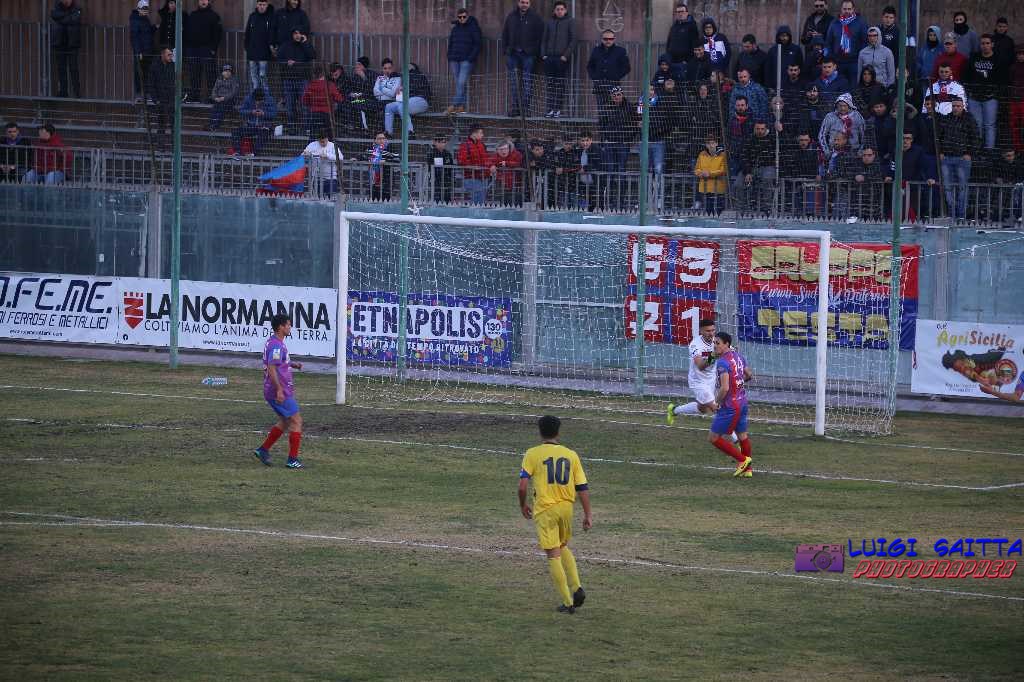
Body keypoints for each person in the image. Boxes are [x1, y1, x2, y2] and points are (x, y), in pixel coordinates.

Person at [518, 415, 592, 615]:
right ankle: (577, 587)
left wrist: (522, 504)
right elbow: (582, 487)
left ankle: (568, 603)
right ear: (558, 432)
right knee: (562, 545)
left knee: (552, 553)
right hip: (567, 508)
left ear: (540, 432)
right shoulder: (571, 455)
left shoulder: (532, 454)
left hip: (546, 510)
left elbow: (523, 485)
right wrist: (588, 514)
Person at [253, 313, 305, 469]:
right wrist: (279, 390)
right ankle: (292, 460)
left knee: (285, 421)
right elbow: (271, 367)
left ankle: (263, 450)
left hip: (276, 389)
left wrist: (291, 364)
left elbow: (277, 363)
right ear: (280, 327)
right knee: (296, 421)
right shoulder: (276, 345)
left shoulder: (275, 342)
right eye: (288, 324)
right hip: (279, 390)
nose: (290, 327)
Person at [706, 331, 754, 477]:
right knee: (742, 436)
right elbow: (749, 375)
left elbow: (725, 387)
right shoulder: (738, 356)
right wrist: (739, 384)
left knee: (713, 438)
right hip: (742, 402)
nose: (715, 346)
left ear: (727, 344)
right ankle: (748, 471)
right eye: (714, 343)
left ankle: (742, 460)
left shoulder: (722, 362)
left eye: (717, 343)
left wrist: (716, 403)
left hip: (730, 406)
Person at [669, 319, 727, 422]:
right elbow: (700, 366)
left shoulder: (717, 341)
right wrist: (714, 355)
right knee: (715, 407)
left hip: (711, 380)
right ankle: (735, 437)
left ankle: (674, 410)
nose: (711, 333)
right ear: (701, 331)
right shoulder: (695, 345)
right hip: (698, 381)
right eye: (708, 331)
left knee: (703, 408)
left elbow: (729, 350)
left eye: (713, 330)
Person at [936, 96, 980, 220]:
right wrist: (941, 152)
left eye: (958, 106)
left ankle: (961, 215)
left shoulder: (969, 119)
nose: (955, 108)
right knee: (947, 187)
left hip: (962, 159)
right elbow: (939, 137)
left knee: (962, 187)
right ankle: (952, 213)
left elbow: (976, 137)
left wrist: (969, 153)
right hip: (947, 158)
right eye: (954, 106)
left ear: (963, 106)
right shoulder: (946, 119)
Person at [501, 0, 544, 117]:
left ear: (529, 4)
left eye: (526, 2)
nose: (524, 4)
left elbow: (540, 37)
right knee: (514, 82)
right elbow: (505, 33)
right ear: (518, 3)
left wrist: (534, 51)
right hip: (512, 53)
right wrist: (505, 50)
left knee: (527, 81)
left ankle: (525, 108)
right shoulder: (511, 16)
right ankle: (515, 107)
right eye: (522, 2)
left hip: (528, 54)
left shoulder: (535, 17)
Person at [965, 34, 1006, 150]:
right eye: (982, 43)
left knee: (989, 126)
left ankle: (989, 152)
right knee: (976, 125)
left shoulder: (998, 59)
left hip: (990, 98)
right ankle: (976, 150)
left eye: (987, 43)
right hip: (974, 98)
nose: (985, 46)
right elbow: (966, 75)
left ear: (992, 44)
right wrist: (969, 90)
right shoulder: (974, 57)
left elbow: (1002, 80)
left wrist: (995, 93)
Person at [541, 0, 576, 118]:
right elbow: (544, 39)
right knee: (550, 84)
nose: (559, 11)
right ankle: (550, 109)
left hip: (562, 59)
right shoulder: (549, 22)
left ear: (565, 10)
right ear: (554, 11)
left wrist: (565, 56)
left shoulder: (570, 22)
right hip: (549, 58)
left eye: (562, 9)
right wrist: (543, 55)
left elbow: (573, 40)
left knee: (560, 85)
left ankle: (557, 110)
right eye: (557, 9)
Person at [183, 0, 222, 102]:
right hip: (192, 49)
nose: (203, 1)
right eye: (201, 0)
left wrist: (213, 49)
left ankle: (211, 96)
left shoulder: (214, 16)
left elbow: (218, 33)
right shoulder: (193, 15)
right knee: (194, 73)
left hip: (207, 49)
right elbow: (186, 32)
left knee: (210, 73)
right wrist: (187, 48)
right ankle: (194, 95)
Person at [446, 8, 482, 114]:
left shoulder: (474, 28)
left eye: (464, 17)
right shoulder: (455, 29)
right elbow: (451, 42)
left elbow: (478, 44)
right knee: (458, 83)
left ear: (468, 16)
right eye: (460, 17)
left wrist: (471, 58)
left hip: (466, 60)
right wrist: (449, 55)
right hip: (454, 59)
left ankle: (454, 105)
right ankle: (461, 106)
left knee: (461, 82)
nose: (462, 19)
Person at [587, 30, 630, 116]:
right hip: (600, 85)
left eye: (610, 38)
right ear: (602, 39)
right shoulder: (596, 50)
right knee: (601, 110)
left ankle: (613, 128)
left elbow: (626, 67)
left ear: (614, 39)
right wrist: (595, 77)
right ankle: (603, 128)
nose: (608, 41)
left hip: (614, 84)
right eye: (605, 38)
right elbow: (590, 66)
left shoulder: (620, 51)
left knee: (615, 110)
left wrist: (616, 76)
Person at [278, 28, 315, 125]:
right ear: (292, 34)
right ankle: (292, 126)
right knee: (290, 105)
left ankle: (306, 126)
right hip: (289, 79)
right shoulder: (285, 45)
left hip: (303, 79)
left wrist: (305, 43)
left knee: (304, 104)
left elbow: (312, 55)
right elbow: (278, 59)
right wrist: (287, 62)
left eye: (299, 33)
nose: (297, 35)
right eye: (295, 33)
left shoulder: (305, 44)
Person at [824, 0, 867, 84]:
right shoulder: (834, 23)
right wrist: (832, 58)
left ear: (853, 9)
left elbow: (865, 41)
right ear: (841, 9)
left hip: (854, 62)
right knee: (838, 87)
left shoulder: (860, 23)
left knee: (853, 88)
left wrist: (859, 56)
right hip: (838, 62)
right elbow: (828, 42)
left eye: (849, 9)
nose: (847, 11)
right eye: (844, 9)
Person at [383, 63, 431, 137]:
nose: (403, 68)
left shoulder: (417, 74)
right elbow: (396, 75)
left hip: (421, 100)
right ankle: (388, 133)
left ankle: (410, 132)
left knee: (402, 107)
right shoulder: (405, 76)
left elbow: (413, 87)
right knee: (389, 107)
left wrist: (403, 88)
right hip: (408, 101)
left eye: (405, 66)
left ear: (411, 68)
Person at [230, 88, 276, 157]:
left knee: (263, 133)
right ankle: (238, 152)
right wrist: (251, 112)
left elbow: (274, 114)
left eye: (259, 101)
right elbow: (241, 111)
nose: (257, 102)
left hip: (264, 126)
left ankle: (254, 154)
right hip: (250, 126)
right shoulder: (248, 98)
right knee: (236, 131)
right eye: (256, 101)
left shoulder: (270, 100)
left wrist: (264, 113)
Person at [51, 0, 83, 98]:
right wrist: (68, 16)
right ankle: (64, 92)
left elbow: (74, 19)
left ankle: (76, 93)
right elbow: (54, 15)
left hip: (72, 44)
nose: (66, 1)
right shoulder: (57, 7)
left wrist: (63, 18)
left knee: (73, 69)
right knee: (61, 68)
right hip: (59, 43)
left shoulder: (77, 8)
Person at [244, 0, 275, 96]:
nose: (262, 6)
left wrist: (271, 48)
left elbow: (272, 34)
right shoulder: (252, 16)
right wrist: (247, 48)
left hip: (264, 53)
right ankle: (254, 98)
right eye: (260, 4)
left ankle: (266, 98)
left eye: (264, 5)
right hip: (252, 53)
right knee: (254, 79)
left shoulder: (271, 17)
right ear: (257, 5)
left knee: (262, 76)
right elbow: (247, 33)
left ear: (267, 5)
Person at [691, 135, 727, 214]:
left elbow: (723, 170)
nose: (711, 145)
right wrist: (701, 173)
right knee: (708, 210)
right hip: (705, 188)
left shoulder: (722, 155)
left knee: (719, 210)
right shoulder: (702, 154)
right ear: (706, 145)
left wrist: (709, 174)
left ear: (716, 144)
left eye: (713, 143)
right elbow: (696, 169)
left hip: (718, 188)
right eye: (708, 143)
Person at [129, 1, 156, 104]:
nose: (145, 11)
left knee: (147, 73)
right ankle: (138, 94)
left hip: (148, 50)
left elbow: (147, 32)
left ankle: (147, 94)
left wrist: (154, 28)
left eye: (146, 9)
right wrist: (138, 51)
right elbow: (134, 37)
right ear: (139, 9)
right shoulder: (135, 20)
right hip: (141, 52)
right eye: (143, 9)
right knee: (138, 72)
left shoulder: (145, 19)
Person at [147, 47, 177, 139]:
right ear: (162, 55)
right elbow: (151, 85)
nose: (171, 56)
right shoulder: (154, 67)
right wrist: (156, 100)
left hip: (171, 99)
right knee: (161, 124)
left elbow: (176, 81)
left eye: (171, 54)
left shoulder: (173, 66)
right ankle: (161, 146)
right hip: (161, 100)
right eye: (169, 55)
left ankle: (173, 146)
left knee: (174, 125)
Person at [303, 130, 341, 198]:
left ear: (327, 139)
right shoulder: (312, 145)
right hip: (316, 178)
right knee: (316, 198)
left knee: (331, 198)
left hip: (330, 178)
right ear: (318, 140)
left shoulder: (333, 146)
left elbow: (341, 158)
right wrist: (306, 154)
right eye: (321, 142)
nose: (323, 143)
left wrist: (328, 155)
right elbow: (303, 155)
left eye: (324, 141)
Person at [457, 126, 490, 204]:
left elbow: (486, 159)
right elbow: (462, 161)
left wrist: (489, 168)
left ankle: (478, 214)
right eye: (481, 133)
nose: (482, 135)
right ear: (474, 134)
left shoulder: (481, 145)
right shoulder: (465, 145)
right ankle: (476, 215)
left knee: (481, 199)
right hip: (471, 177)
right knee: (478, 200)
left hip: (482, 176)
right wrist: (474, 167)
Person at [766, 25, 804, 91]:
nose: (784, 38)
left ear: (789, 36)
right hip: (776, 86)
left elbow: (801, 67)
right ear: (778, 36)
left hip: (792, 86)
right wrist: (769, 86)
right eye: (782, 36)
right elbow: (768, 70)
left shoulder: (796, 49)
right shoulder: (773, 50)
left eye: (786, 36)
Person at [666, 4, 699, 75]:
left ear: (687, 13)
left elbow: (694, 44)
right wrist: (668, 57)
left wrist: (688, 60)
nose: (680, 14)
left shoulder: (692, 25)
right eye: (678, 12)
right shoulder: (674, 26)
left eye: (682, 11)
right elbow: (669, 42)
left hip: (684, 62)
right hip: (672, 61)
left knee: (683, 83)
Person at [206, 63, 239, 132]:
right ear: (222, 72)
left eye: (229, 71)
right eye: (225, 71)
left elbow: (233, 93)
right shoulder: (219, 79)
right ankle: (211, 124)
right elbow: (214, 90)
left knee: (221, 109)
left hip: (229, 100)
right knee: (214, 109)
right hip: (218, 99)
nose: (227, 73)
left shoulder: (234, 80)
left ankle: (214, 126)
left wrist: (224, 98)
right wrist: (215, 98)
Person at [368, 131, 398, 201]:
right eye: (379, 138)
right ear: (375, 140)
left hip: (386, 181)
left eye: (383, 138)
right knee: (373, 200)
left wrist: (386, 161)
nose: (381, 140)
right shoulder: (370, 150)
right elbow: (363, 156)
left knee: (386, 200)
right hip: (373, 181)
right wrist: (355, 158)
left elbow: (398, 159)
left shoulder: (390, 148)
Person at [431, 134, 454, 203]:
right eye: (439, 142)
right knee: (437, 198)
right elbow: (430, 165)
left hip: (446, 179)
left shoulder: (447, 154)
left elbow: (450, 166)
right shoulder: (432, 153)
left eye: (443, 142)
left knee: (447, 198)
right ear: (435, 142)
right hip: (436, 180)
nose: (441, 144)